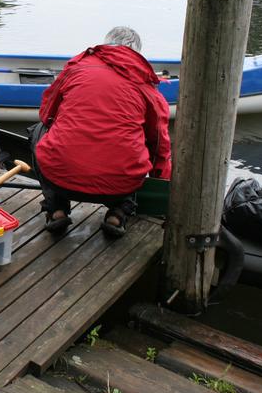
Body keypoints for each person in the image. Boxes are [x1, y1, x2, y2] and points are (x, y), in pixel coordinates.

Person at [30, 26, 171, 238]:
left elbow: (46, 114)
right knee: (137, 143)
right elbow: (160, 145)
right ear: (137, 53)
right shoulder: (146, 84)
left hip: (60, 176)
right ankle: (119, 212)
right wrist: (163, 189)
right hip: (120, 185)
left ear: (106, 45)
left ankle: (56, 208)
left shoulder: (77, 66)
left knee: (38, 131)